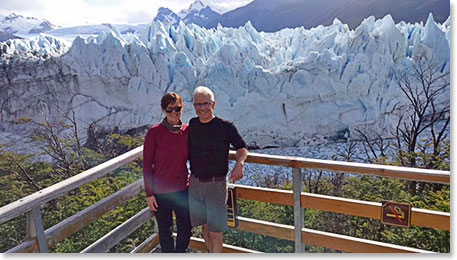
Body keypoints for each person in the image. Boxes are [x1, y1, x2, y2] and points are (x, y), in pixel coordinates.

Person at [188, 86, 248, 253]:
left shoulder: (225, 126)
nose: (202, 108)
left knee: (215, 230)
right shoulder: (192, 124)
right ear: (194, 106)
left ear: (213, 104)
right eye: (198, 104)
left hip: (216, 185)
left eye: (205, 103)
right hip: (195, 183)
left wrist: (239, 164)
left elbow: (242, 148)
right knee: (205, 226)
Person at [142, 92, 191, 253]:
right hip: (161, 192)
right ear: (163, 110)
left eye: (177, 108)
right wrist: (149, 194)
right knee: (165, 231)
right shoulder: (154, 133)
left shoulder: (187, 131)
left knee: (186, 228)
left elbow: (198, 155)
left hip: (183, 189)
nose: (174, 112)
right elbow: (147, 165)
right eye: (170, 109)